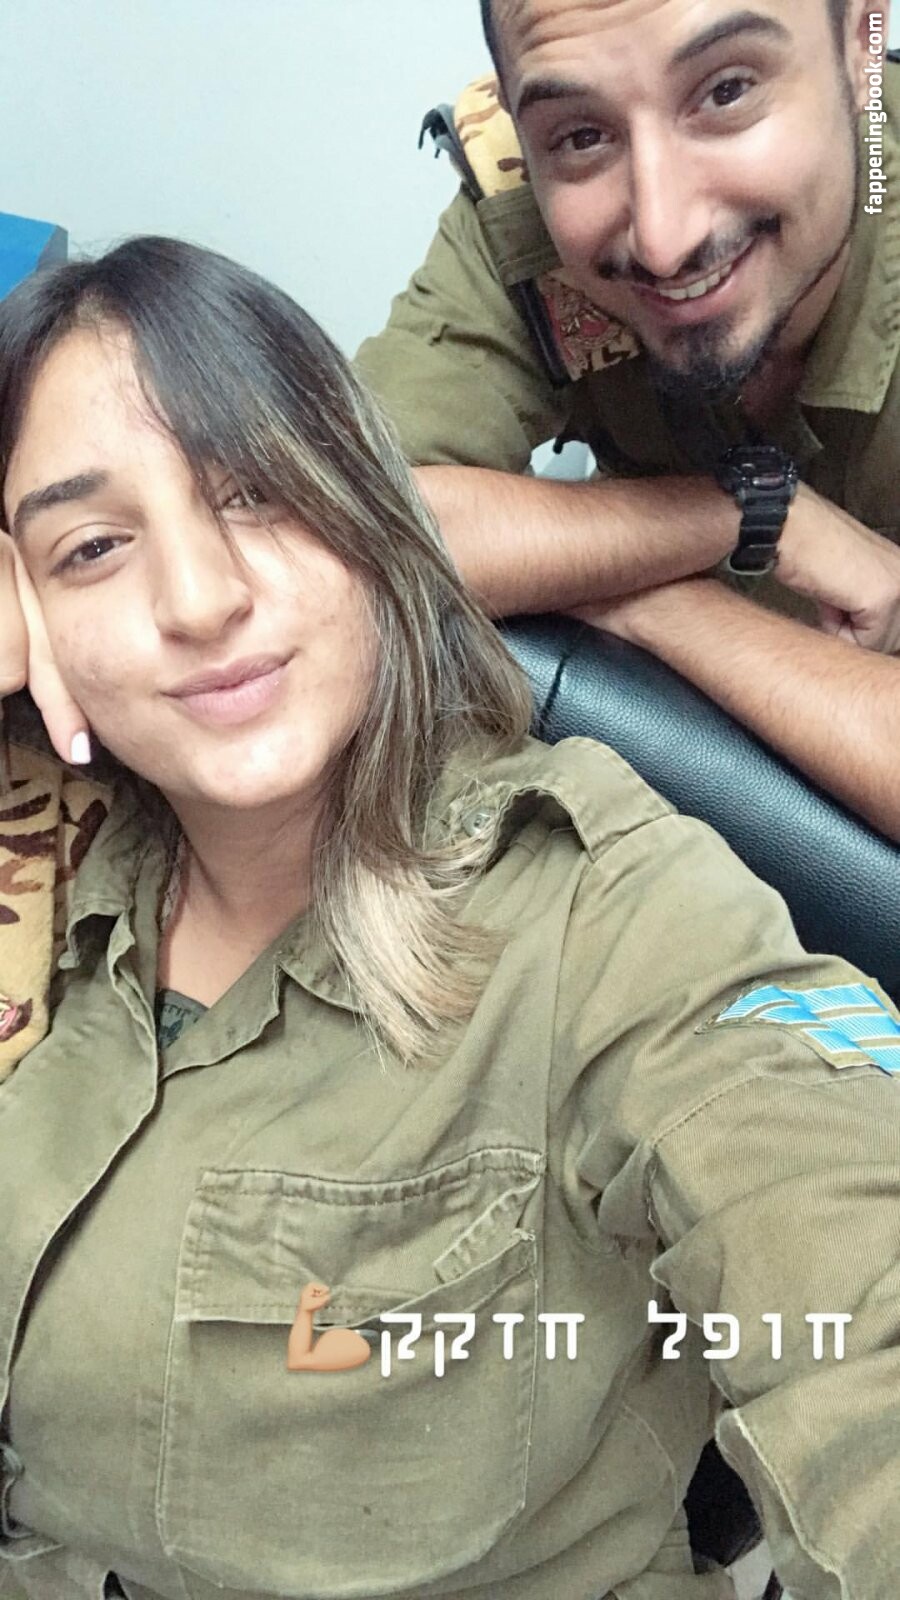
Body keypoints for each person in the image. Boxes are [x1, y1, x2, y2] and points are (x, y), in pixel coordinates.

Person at [1, 236, 900, 1600]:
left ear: (373, 509)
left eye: (258, 495)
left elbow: (852, 1273)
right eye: (93, 547)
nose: (200, 598)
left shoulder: (600, 905)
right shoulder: (44, 861)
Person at [355, 0, 900, 843]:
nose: (663, 239)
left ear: (864, 43)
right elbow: (331, 526)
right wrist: (742, 513)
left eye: (726, 91)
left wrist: (639, 597)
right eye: (582, 137)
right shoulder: (517, 207)